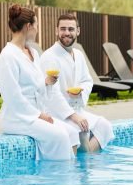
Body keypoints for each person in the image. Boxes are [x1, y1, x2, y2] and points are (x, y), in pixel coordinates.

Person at [0, 4, 80, 161]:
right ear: (28, 26)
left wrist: (46, 82)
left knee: (73, 133)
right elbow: (13, 97)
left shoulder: (32, 52)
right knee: (60, 136)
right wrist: (38, 115)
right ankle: (56, 177)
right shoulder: (8, 56)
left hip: (36, 114)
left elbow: (35, 85)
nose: (37, 30)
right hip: (18, 118)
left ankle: (69, 176)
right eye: (36, 26)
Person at [40, 13, 114, 152]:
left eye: (70, 29)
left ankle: (86, 157)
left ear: (78, 31)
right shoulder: (49, 57)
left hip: (77, 109)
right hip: (58, 114)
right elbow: (52, 94)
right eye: (63, 29)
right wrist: (74, 117)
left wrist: (80, 92)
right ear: (56, 30)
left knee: (105, 126)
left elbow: (87, 80)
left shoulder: (79, 55)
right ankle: (84, 162)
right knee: (81, 130)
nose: (66, 33)